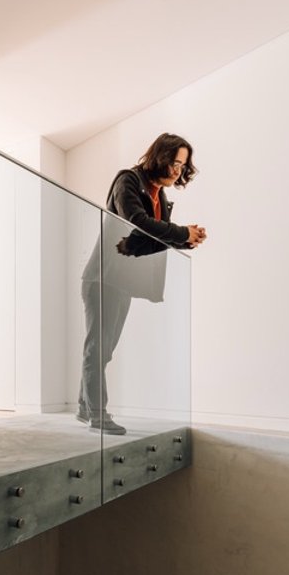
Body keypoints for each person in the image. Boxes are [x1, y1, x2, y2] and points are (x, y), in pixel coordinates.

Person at [77, 132, 206, 434]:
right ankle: (96, 414)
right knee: (98, 347)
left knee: (104, 349)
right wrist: (181, 232)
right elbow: (136, 222)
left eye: (182, 166)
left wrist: (186, 241)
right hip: (102, 278)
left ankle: (84, 407)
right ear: (159, 158)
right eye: (174, 162)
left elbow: (146, 241)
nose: (178, 171)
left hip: (121, 281)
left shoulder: (159, 196)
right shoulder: (128, 181)